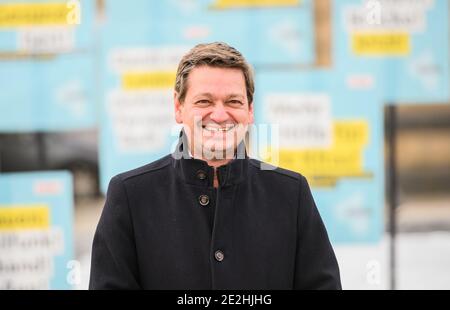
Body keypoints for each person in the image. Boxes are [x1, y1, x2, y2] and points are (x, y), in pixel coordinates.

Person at [89, 42, 341, 290]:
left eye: (233, 101)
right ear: (179, 107)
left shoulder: (290, 193)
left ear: (250, 110)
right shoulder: (131, 195)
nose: (220, 115)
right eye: (204, 102)